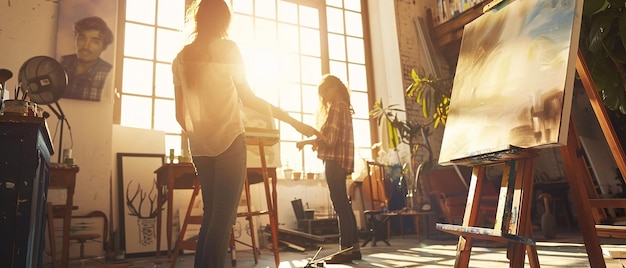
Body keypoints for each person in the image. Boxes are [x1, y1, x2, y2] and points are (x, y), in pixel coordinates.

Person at [171, 1, 319, 267]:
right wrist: (292, 121)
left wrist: (201, 134)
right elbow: (249, 98)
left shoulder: (180, 58)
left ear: (198, 19)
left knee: (210, 216)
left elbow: (180, 116)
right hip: (229, 142)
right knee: (222, 217)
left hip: (200, 148)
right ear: (224, 22)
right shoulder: (228, 49)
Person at [296, 74, 360, 264]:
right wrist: (314, 140)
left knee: (340, 205)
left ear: (334, 87)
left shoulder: (336, 107)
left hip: (334, 161)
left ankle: (345, 250)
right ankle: (353, 249)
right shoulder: (345, 108)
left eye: (325, 91)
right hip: (342, 161)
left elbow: (329, 140)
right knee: (345, 205)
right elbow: (333, 139)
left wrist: (307, 139)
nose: (324, 96)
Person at [60, 16, 113, 101]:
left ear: (104, 47)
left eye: (95, 41)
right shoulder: (62, 62)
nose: (86, 46)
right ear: (75, 39)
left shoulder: (109, 73)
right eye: (82, 38)